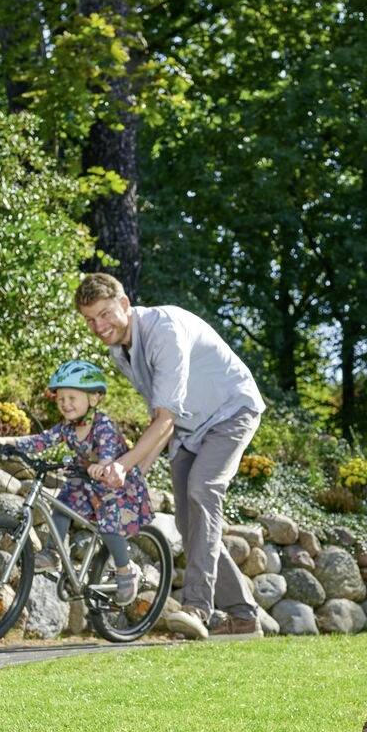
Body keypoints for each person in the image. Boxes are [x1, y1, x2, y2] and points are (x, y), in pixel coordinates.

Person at [73, 271, 265, 636]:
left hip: (230, 412)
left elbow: (165, 419)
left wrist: (122, 465)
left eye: (104, 314)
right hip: (189, 428)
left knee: (202, 490)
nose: (98, 326)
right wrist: (132, 475)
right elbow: (162, 420)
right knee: (186, 524)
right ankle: (243, 616)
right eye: (90, 320)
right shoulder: (121, 351)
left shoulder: (164, 330)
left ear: (125, 304)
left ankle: (197, 607)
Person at [0, 359, 153, 607]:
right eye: (61, 399)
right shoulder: (67, 427)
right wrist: (7, 442)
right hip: (85, 479)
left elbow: (107, 453)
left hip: (116, 482)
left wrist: (102, 465)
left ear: (93, 399)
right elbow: (41, 441)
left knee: (108, 523)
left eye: (72, 398)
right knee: (62, 504)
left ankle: (125, 570)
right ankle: (53, 553)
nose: (65, 404)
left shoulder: (103, 425)